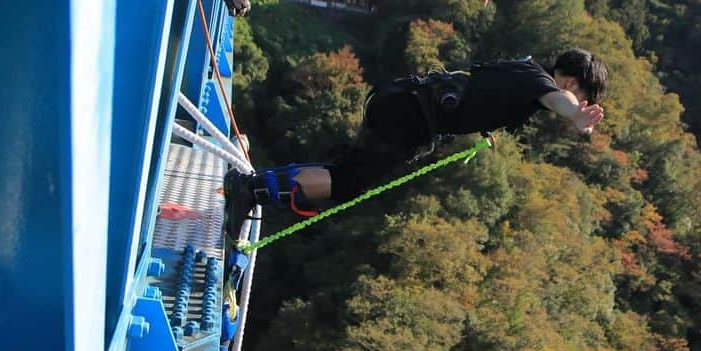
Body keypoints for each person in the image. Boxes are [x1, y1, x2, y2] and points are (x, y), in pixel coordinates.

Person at [223, 49, 607, 240]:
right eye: (582, 95)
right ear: (572, 83)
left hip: (402, 103)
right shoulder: (543, 86)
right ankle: (251, 190)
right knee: (346, 183)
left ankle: (255, 185)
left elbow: (485, 92)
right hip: (408, 116)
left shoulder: (524, 69)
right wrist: (576, 116)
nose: (577, 100)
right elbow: (561, 102)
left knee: (344, 173)